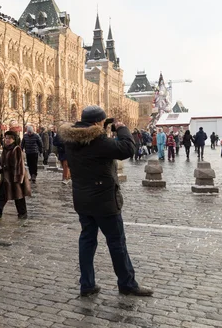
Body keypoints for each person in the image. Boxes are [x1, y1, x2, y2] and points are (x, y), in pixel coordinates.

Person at [59, 105, 153, 297]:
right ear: (97, 123)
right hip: (104, 201)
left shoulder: (71, 139)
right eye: (102, 123)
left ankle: (87, 284)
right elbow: (127, 149)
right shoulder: (97, 140)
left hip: (82, 199)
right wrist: (122, 128)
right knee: (117, 243)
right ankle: (127, 284)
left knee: (87, 241)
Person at [0, 130, 31, 220]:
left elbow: (19, 164)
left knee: (18, 196)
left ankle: (23, 213)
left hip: (15, 176)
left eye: (9, 138)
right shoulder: (5, 148)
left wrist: (19, 178)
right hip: (6, 176)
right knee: (3, 195)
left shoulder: (16, 149)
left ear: (14, 139)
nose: (7, 140)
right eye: (6, 138)